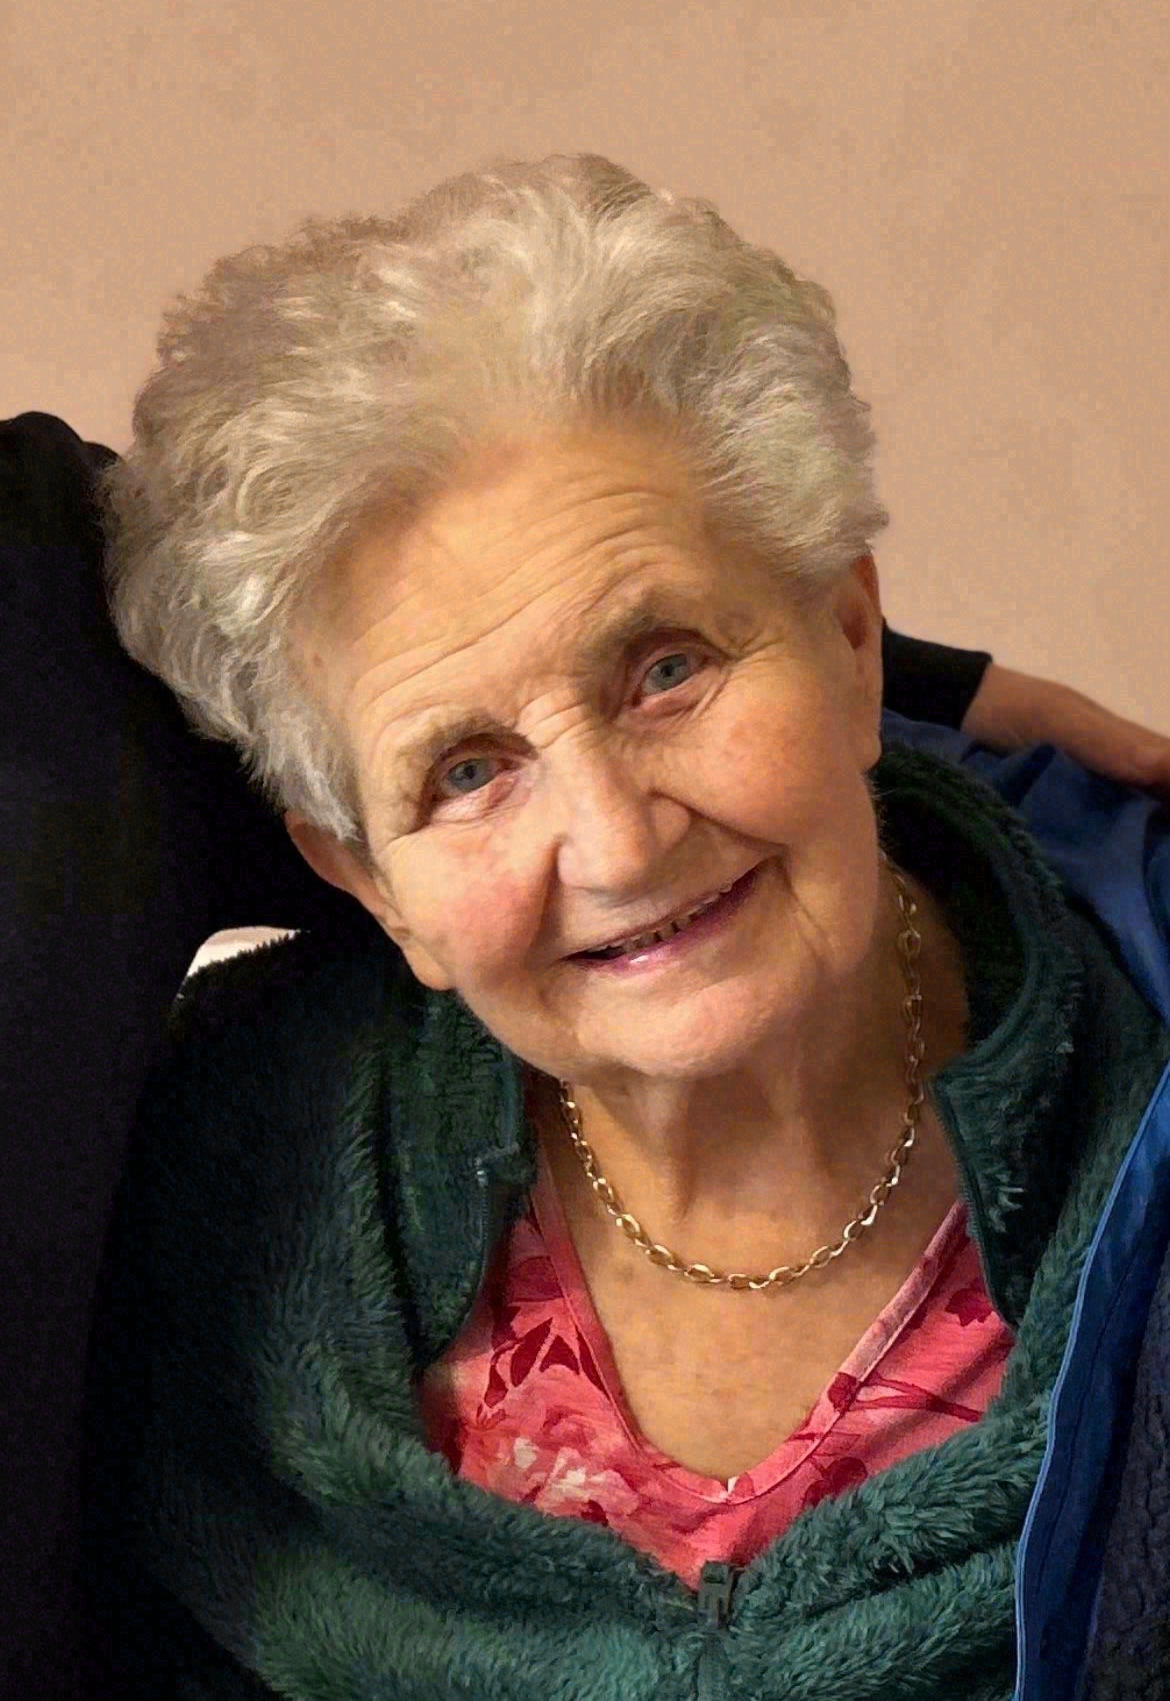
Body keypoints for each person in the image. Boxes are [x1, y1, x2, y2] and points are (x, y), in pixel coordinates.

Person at [6, 154, 1167, 1699]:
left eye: (667, 669)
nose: (618, 842)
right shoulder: (222, 1216)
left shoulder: (1136, 1099)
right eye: (467, 772)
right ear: (365, 882)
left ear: (848, 638)